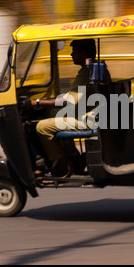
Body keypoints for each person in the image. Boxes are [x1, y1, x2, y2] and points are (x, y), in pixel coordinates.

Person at [24, 39, 111, 177]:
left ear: (84, 53)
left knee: (42, 127)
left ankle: (62, 164)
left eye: (74, 51)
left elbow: (67, 102)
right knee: (53, 112)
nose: (71, 54)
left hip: (89, 119)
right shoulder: (95, 68)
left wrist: (37, 102)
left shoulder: (87, 72)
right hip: (95, 114)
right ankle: (71, 152)